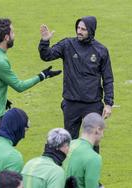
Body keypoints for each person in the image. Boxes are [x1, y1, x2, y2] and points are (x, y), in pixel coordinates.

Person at [0, 18, 61, 139]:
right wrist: (42, 75)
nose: (14, 35)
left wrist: (3, 100)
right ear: (6, 37)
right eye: (13, 32)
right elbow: (19, 86)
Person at [38, 16, 114, 148]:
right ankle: (69, 168)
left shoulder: (101, 50)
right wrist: (45, 42)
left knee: (93, 144)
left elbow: (107, 78)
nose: (79, 31)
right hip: (71, 104)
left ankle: (91, 167)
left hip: (93, 105)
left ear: (91, 30)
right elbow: (47, 56)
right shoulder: (67, 45)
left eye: (83, 29)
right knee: (69, 144)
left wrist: (108, 103)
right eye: (78, 28)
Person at [63, 112, 105, 188]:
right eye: (103, 131)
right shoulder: (94, 158)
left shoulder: (67, 145)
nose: (103, 135)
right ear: (98, 130)